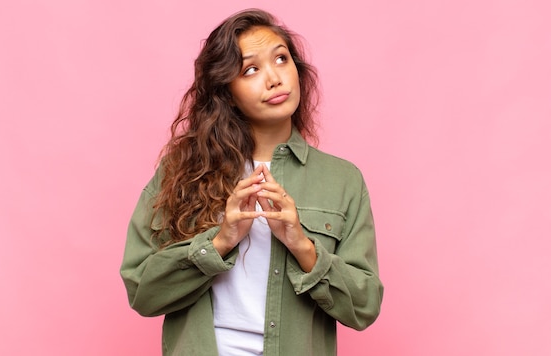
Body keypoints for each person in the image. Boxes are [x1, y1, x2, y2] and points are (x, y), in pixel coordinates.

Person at [120, 8, 383, 356]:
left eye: (281, 59)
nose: (274, 78)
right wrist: (219, 241)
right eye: (251, 69)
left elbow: (364, 307)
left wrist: (302, 245)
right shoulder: (180, 172)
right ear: (226, 90)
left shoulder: (342, 180)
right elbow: (142, 292)